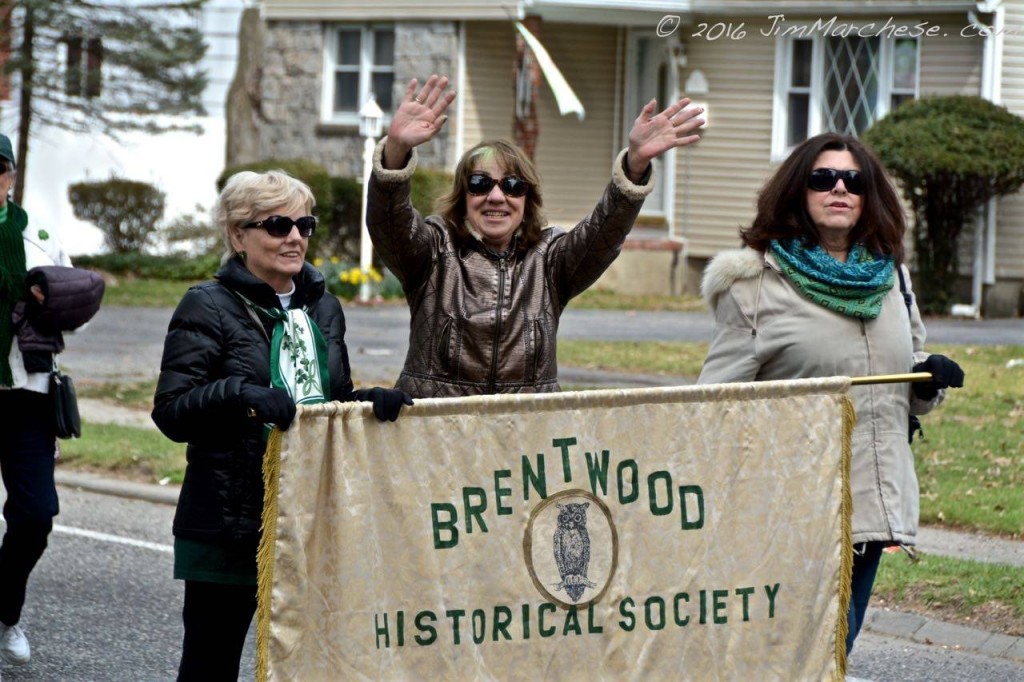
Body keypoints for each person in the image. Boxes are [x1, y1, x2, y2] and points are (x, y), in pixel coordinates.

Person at [696, 132, 965, 655]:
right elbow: (713, 406)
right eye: (823, 179)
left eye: (853, 180)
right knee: (796, 649)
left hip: (870, 499)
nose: (838, 188)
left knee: (836, 646)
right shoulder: (754, 285)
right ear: (799, 191)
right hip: (790, 504)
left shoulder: (891, 279)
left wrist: (928, 379)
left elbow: (906, 380)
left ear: (869, 196)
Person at [151, 170, 413, 680]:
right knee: (211, 663)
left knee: (310, 663)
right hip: (228, 520)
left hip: (309, 519)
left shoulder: (324, 307)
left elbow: (324, 406)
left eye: (303, 224)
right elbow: (172, 411)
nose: (294, 237)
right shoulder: (207, 305)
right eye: (276, 225)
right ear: (237, 235)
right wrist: (241, 394)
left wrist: (368, 403)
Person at [367, 74, 704, 397]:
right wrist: (395, 151)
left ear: (527, 201)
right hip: (439, 438)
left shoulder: (551, 258)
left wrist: (634, 167)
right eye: (480, 184)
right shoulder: (434, 250)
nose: (496, 197)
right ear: (463, 196)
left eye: (513, 186)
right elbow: (390, 225)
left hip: (524, 438)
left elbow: (603, 234)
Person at [0, 132, 104, 665]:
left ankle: (5, 612)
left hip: (28, 395)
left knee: (36, 515)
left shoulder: (38, 234)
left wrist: (52, 302)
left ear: (11, 176)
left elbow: (77, 316)